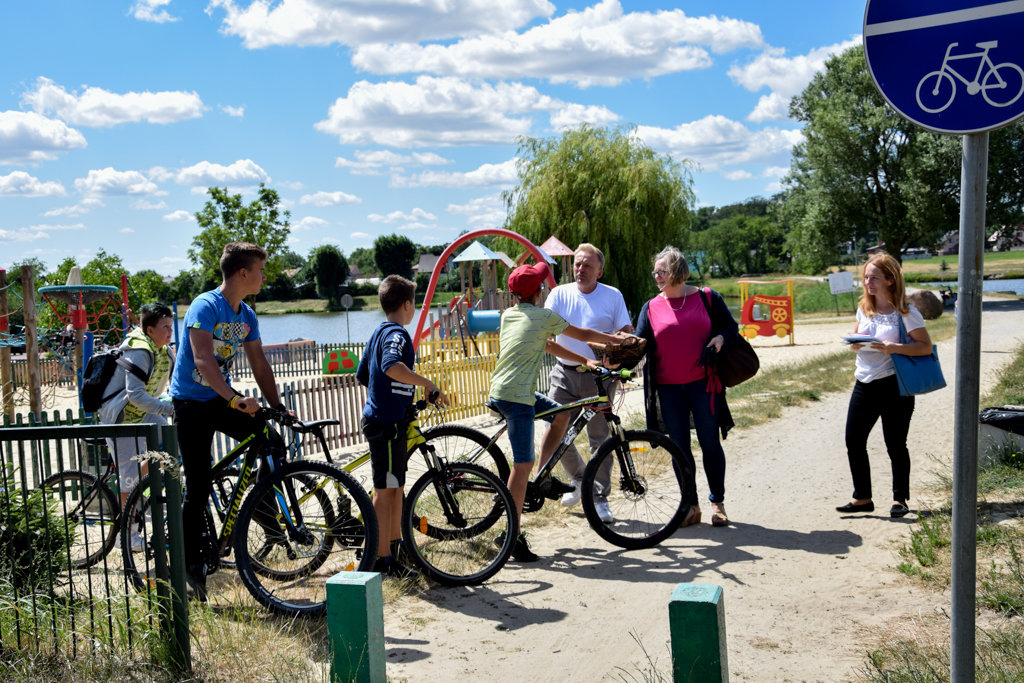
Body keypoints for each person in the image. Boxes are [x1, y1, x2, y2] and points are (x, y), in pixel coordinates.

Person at [169, 242, 294, 600]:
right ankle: (190, 569)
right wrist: (236, 399)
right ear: (243, 273)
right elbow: (204, 360)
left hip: (220, 397)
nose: (264, 276)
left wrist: (277, 406)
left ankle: (265, 517)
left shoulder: (247, 316)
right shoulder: (205, 306)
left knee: (271, 442)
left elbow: (260, 365)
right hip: (191, 403)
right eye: (260, 270)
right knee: (198, 484)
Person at [488, 261, 627, 562]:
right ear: (539, 291)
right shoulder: (544, 316)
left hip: (505, 389)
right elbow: (583, 333)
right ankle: (512, 535)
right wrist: (615, 340)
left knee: (561, 414)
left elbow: (549, 346)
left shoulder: (510, 315)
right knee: (521, 467)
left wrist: (587, 362)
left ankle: (545, 475)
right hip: (517, 397)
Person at [633, 246, 738, 528]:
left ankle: (718, 503)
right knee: (678, 448)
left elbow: (731, 327)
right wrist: (615, 360)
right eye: (654, 271)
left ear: (677, 269)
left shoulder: (707, 297)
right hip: (668, 389)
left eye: (662, 270)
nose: (656, 275)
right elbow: (639, 344)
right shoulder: (650, 307)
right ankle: (689, 504)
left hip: (704, 384)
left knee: (709, 443)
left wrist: (719, 338)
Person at [357, 275, 449, 578]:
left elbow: (363, 375)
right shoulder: (397, 334)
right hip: (384, 424)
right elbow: (391, 366)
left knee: (396, 489)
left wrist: (387, 395)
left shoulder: (378, 332)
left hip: (391, 421)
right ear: (407, 305)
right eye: (416, 303)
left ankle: (393, 549)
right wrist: (427, 383)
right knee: (385, 492)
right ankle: (380, 559)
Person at [538, 244, 632, 523]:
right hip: (563, 374)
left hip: (599, 378)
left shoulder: (612, 295)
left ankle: (600, 498)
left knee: (600, 438)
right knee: (553, 431)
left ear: (599, 271)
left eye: (587, 265)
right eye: (577, 264)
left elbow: (624, 332)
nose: (580, 269)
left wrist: (615, 359)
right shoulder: (559, 293)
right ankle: (581, 480)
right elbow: (546, 332)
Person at [838, 253, 933, 518]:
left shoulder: (907, 313)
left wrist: (894, 348)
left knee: (895, 444)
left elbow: (924, 347)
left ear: (890, 280)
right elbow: (859, 336)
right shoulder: (864, 309)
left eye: (874, 278)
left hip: (895, 385)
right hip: (864, 382)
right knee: (853, 440)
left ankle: (899, 499)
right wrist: (856, 344)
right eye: (866, 277)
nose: (868, 282)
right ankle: (863, 497)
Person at [96, 303, 176, 551]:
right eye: (165, 327)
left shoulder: (163, 350)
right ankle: (127, 536)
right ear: (150, 330)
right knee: (128, 479)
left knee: (173, 448)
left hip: (142, 415)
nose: (170, 332)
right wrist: (169, 408)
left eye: (172, 326)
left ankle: (142, 483)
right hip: (121, 417)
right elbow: (135, 396)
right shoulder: (140, 352)